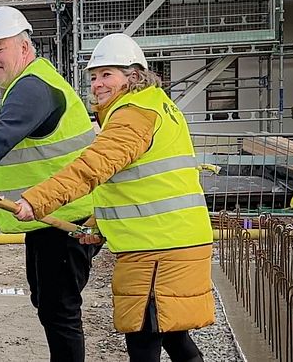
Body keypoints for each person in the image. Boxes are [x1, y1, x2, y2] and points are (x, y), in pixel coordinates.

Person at [14, 33, 215, 362]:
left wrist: (36, 201)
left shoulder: (133, 115)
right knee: (174, 337)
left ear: (133, 76)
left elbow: (90, 169)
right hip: (176, 240)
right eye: (94, 77)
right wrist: (97, 225)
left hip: (157, 250)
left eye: (107, 75)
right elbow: (138, 185)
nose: (97, 84)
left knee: (143, 340)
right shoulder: (157, 105)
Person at [0, 6, 100, 362]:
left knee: (59, 312)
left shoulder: (33, 87)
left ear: (24, 48)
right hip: (47, 218)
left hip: (65, 221)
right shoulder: (34, 83)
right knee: (50, 307)